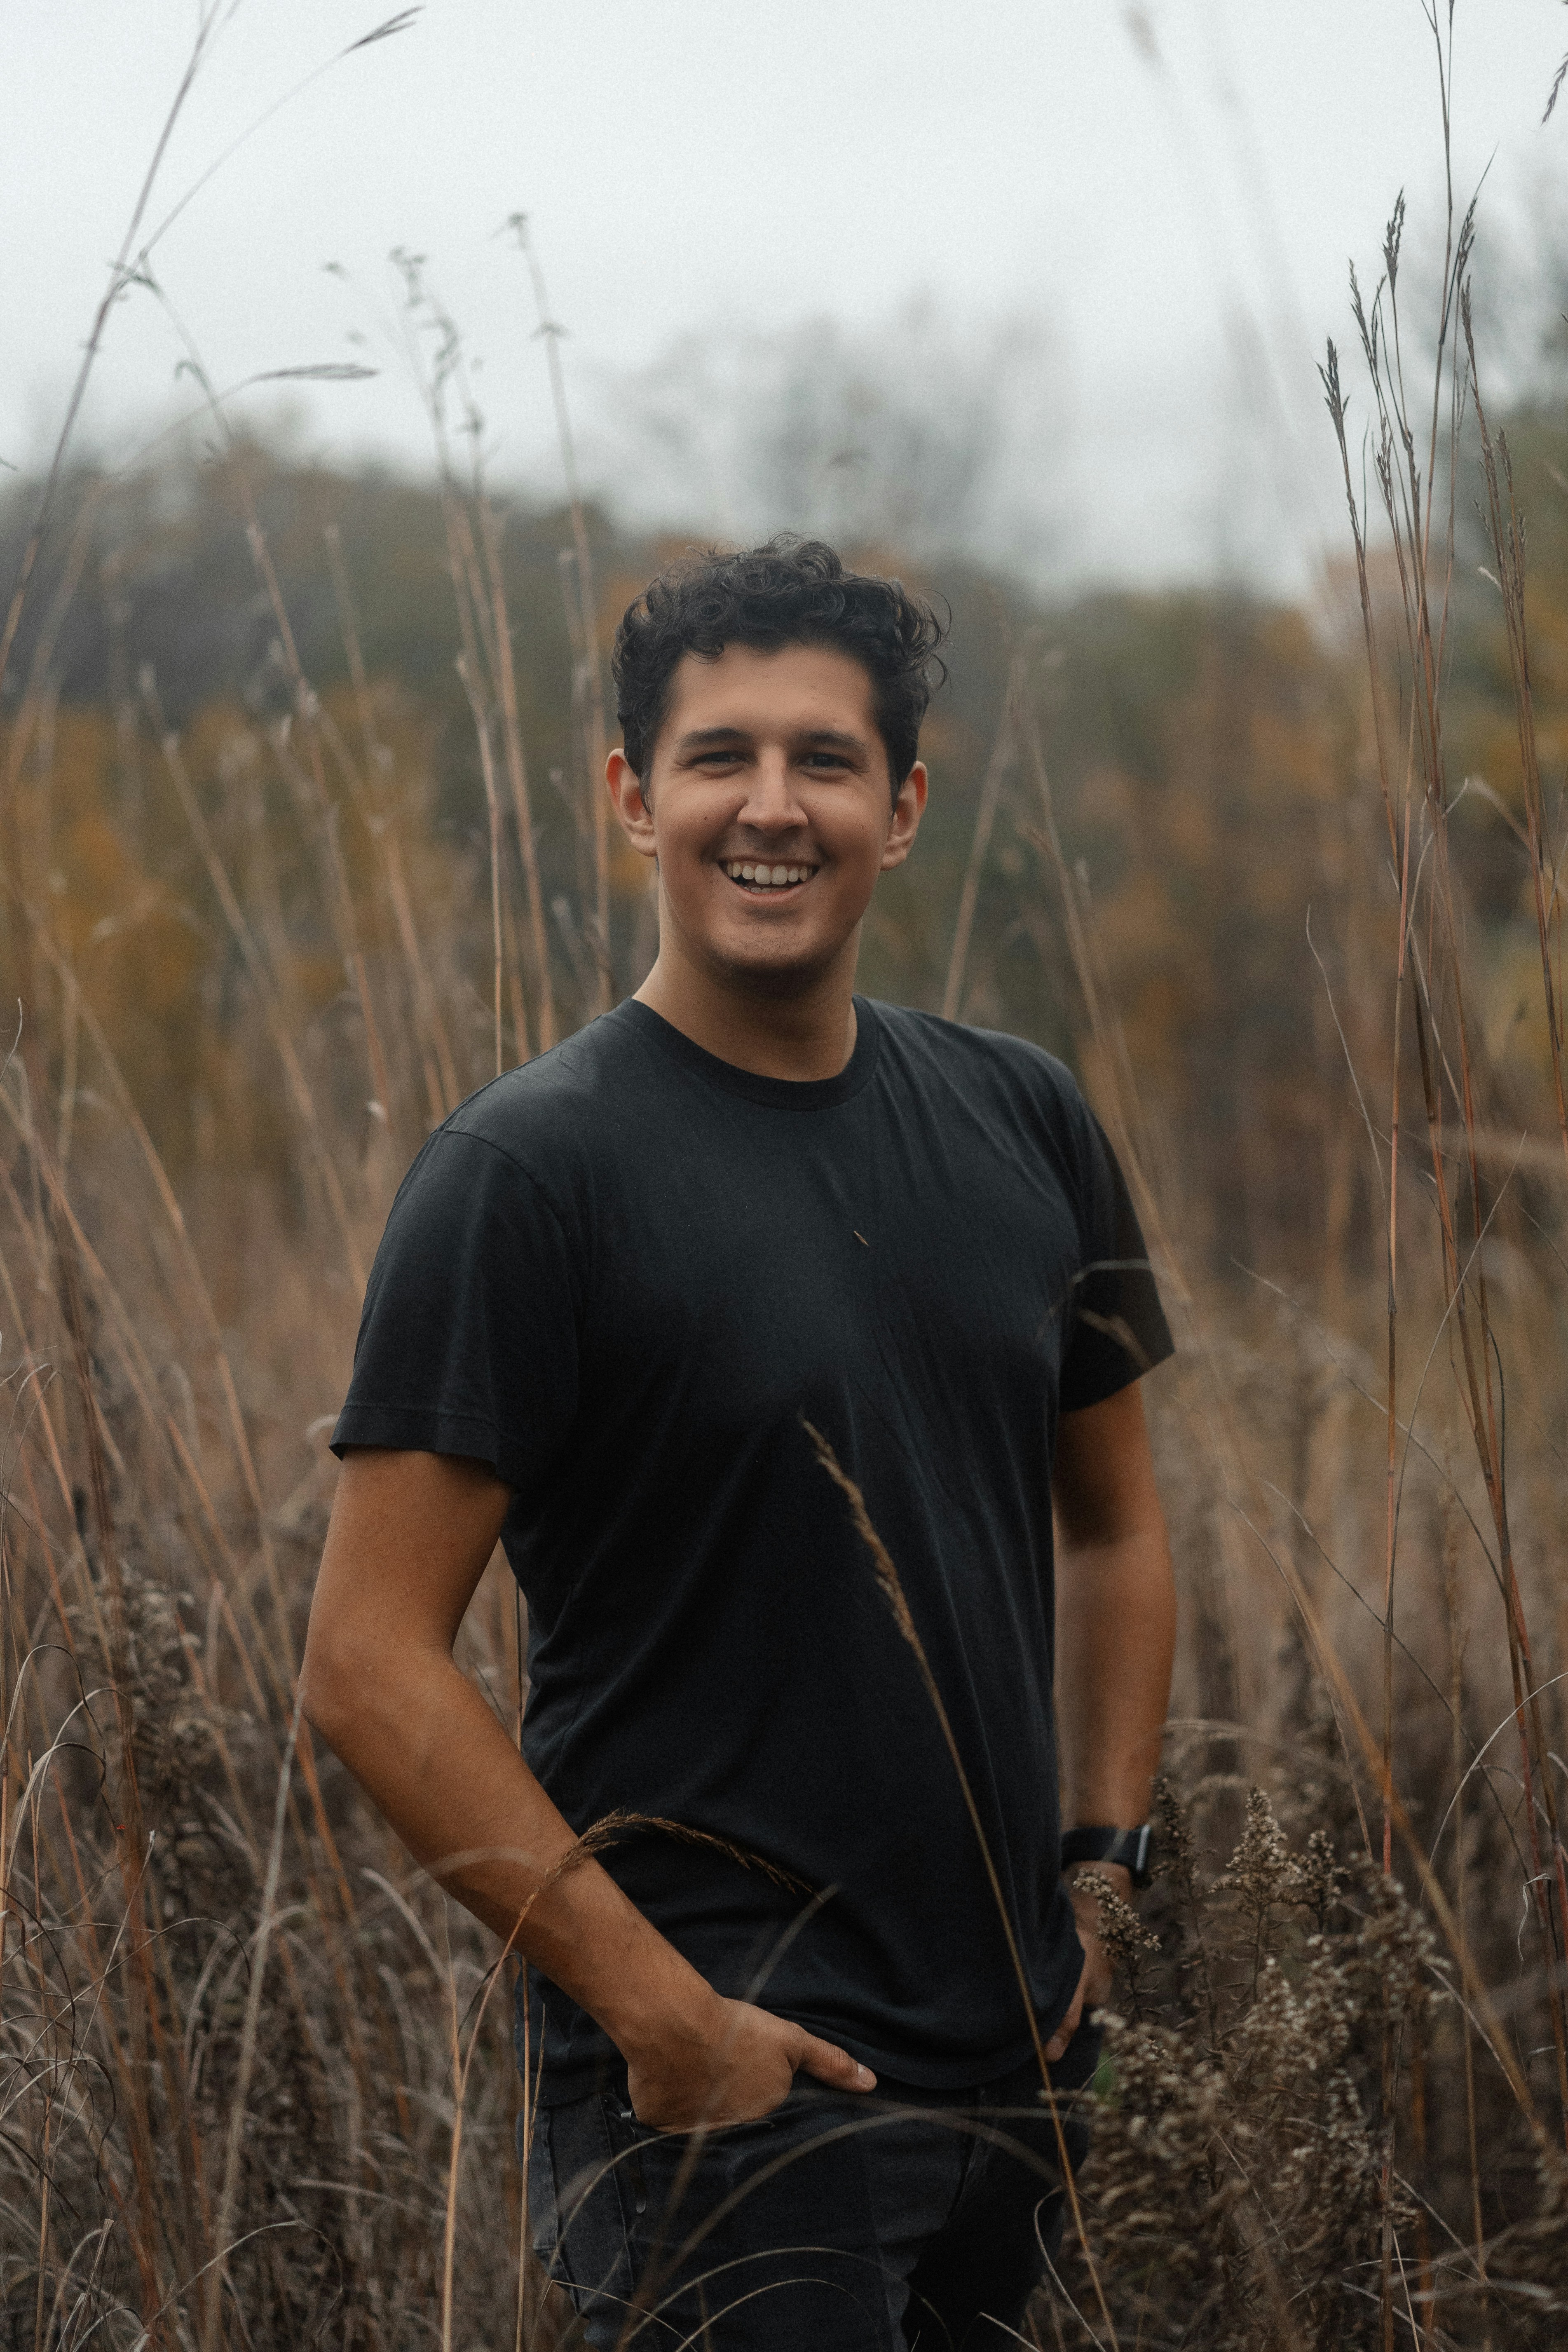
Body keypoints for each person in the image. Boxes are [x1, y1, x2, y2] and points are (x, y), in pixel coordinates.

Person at [301, 537, 1177, 2349]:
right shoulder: (526, 1174)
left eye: (823, 760)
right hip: (735, 2089)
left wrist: (1102, 1866)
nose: (767, 808)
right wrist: (659, 2012)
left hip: (1013, 2055)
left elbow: (1114, 1527)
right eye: (718, 758)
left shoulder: (1024, 1116)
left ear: (904, 803)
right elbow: (368, 1659)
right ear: (633, 794)